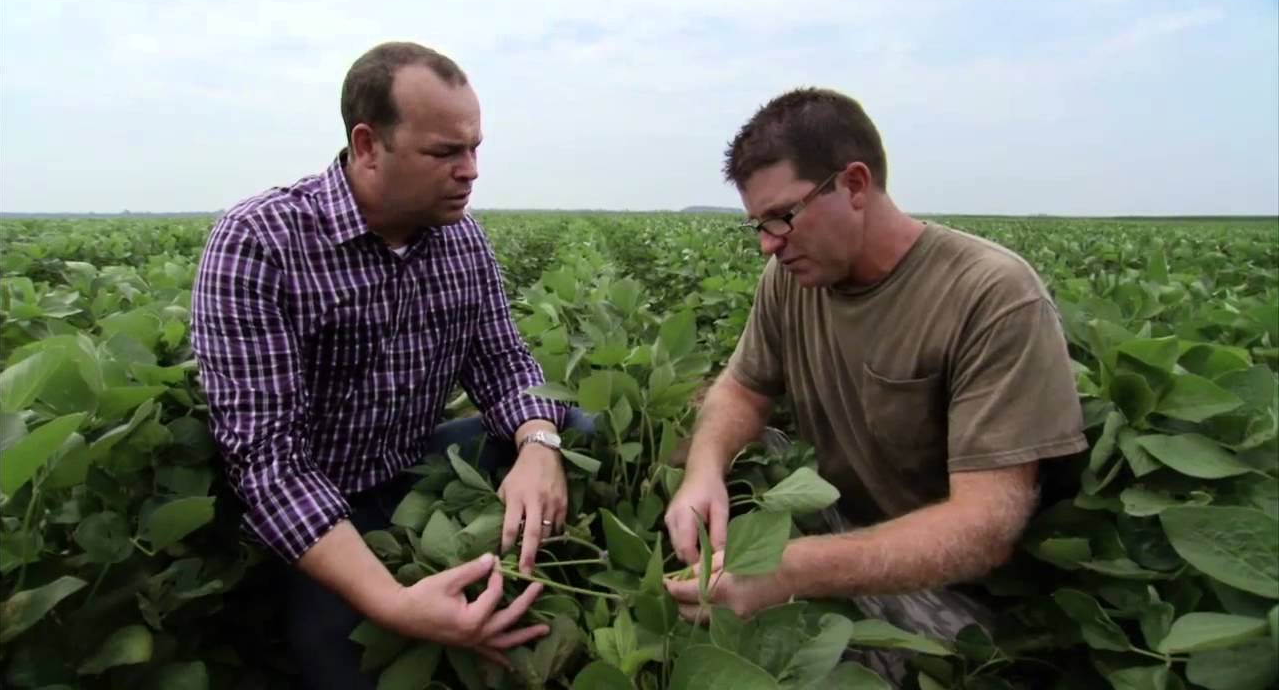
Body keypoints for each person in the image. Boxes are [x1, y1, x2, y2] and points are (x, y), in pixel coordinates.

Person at [189, 41, 584, 689]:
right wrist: (393, 603)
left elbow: (506, 362)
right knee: (349, 671)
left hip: (411, 464)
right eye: (444, 153)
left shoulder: (462, 238)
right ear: (368, 146)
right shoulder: (259, 243)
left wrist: (539, 446)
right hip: (322, 504)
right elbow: (269, 464)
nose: (471, 171)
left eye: (475, 147)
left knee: (578, 431)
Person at [663, 88, 1087, 683]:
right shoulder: (790, 278)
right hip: (841, 524)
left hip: (953, 589)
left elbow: (986, 527)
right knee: (703, 462)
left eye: (783, 216)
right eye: (758, 225)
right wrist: (702, 472)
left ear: (855, 185)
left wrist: (794, 571)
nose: (768, 243)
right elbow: (741, 388)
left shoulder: (991, 294)